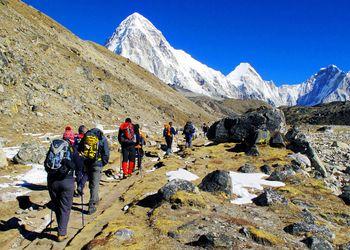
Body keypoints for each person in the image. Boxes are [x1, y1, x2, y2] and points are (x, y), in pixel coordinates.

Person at [44, 138, 76, 242]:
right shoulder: (71, 150)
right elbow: (78, 165)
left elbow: (46, 165)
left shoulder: (53, 150)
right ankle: (62, 233)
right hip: (67, 181)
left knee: (57, 206)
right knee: (65, 207)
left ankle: (60, 227)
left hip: (52, 182)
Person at [79, 125, 109, 215]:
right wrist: (103, 162)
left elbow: (80, 148)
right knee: (95, 184)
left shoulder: (87, 135)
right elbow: (106, 152)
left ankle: (95, 199)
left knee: (91, 183)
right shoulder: (102, 137)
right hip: (97, 163)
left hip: (87, 162)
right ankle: (91, 206)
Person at [74, 125, 88, 197]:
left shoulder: (75, 137)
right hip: (85, 157)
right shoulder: (87, 138)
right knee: (87, 172)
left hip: (76, 157)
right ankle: (81, 186)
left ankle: (79, 190)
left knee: (78, 173)